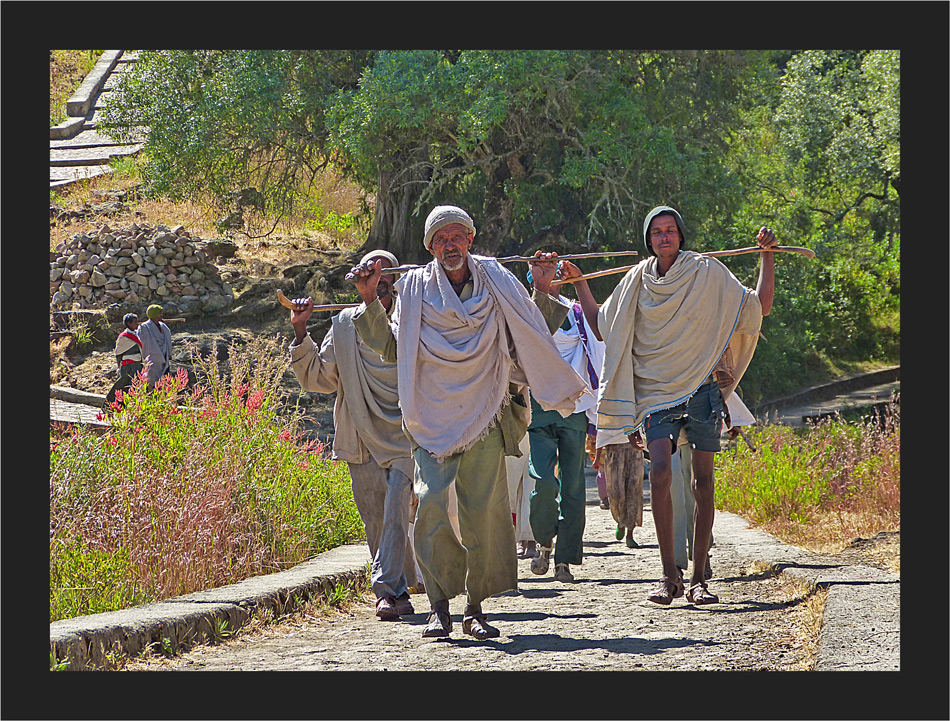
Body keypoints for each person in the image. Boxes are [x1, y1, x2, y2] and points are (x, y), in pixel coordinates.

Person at [349, 205, 588, 640]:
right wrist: (369, 300)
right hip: (430, 417)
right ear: (430, 248)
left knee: (485, 514)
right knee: (432, 507)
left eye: (457, 236)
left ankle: (475, 607)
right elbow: (391, 348)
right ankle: (438, 606)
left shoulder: (497, 282)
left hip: (487, 413)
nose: (450, 244)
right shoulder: (414, 289)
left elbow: (529, 331)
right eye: (441, 239)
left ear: (471, 240)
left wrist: (543, 287)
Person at [565, 205, 777, 606]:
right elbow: (601, 325)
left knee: (702, 482)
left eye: (671, 231)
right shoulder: (635, 281)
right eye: (657, 232)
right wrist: (579, 283)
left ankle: (699, 577)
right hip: (656, 396)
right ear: (649, 240)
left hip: (702, 391)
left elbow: (758, 307)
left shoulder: (706, 271)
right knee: (660, 472)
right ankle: (668, 576)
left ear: (681, 236)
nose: (664, 237)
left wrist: (766, 255)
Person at [287, 250, 419, 622]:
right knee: (376, 518)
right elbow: (319, 378)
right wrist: (301, 330)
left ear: (395, 286)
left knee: (397, 509)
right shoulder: (345, 325)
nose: (379, 292)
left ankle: (385, 590)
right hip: (359, 433)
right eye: (371, 284)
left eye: (385, 285)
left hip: (406, 435)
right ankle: (399, 590)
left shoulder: (414, 321)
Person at [526, 270, 606, 583]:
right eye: (543, 270)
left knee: (573, 487)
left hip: (574, 408)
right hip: (540, 407)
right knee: (544, 482)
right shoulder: (527, 311)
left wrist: (600, 414)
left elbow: (598, 352)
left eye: (557, 270)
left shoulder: (577, 314)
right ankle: (544, 539)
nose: (552, 275)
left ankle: (565, 560)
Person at [671, 391, 756, 579]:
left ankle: (701, 554)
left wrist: (732, 412)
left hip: (699, 408)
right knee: (671, 487)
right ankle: (674, 562)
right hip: (664, 408)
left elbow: (718, 370)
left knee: (697, 488)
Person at [594, 431, 644, 550]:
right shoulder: (608, 413)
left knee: (634, 491)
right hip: (614, 453)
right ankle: (621, 521)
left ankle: (630, 535)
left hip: (634, 451)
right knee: (616, 492)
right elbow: (602, 431)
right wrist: (597, 458)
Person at [505, 433, 538, 559]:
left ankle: (531, 539)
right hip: (513, 429)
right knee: (511, 486)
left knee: (532, 485)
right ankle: (517, 537)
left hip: (537, 428)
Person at [106, 313, 143, 404]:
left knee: (135, 387)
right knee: (125, 386)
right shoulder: (124, 337)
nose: (137, 324)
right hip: (129, 366)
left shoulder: (136, 334)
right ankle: (113, 404)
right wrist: (119, 367)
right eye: (135, 322)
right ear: (129, 324)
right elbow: (118, 353)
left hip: (137, 364)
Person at [137, 304, 173, 390]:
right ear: (155, 314)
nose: (161, 315)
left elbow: (167, 340)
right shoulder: (144, 327)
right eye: (160, 313)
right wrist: (155, 356)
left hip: (165, 359)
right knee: (151, 383)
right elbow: (146, 344)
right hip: (152, 360)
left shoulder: (163, 327)